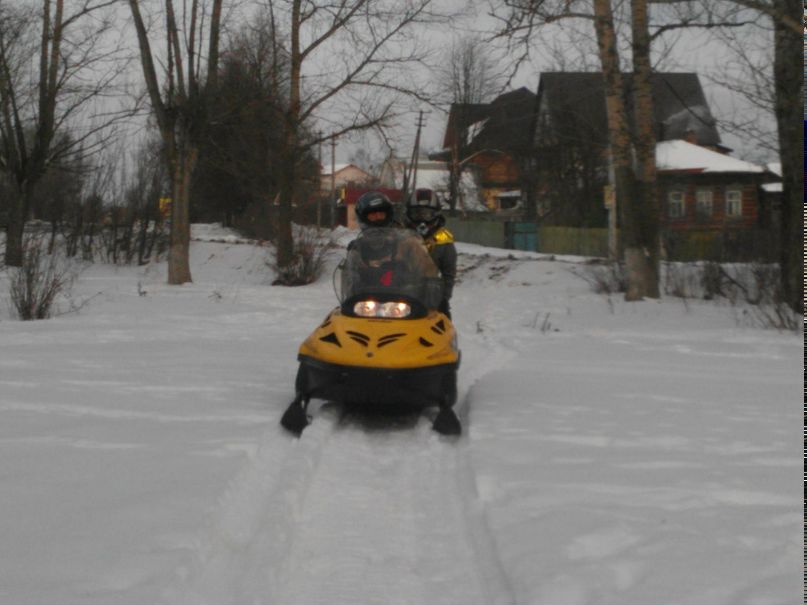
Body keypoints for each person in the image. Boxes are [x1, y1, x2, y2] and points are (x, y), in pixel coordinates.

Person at [405, 188, 457, 318]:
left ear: (436, 215)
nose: (422, 220)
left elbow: (448, 274)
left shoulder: (444, 240)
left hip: (432, 300)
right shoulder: (400, 235)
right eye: (417, 214)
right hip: (401, 295)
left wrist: (444, 299)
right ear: (409, 215)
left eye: (427, 214)